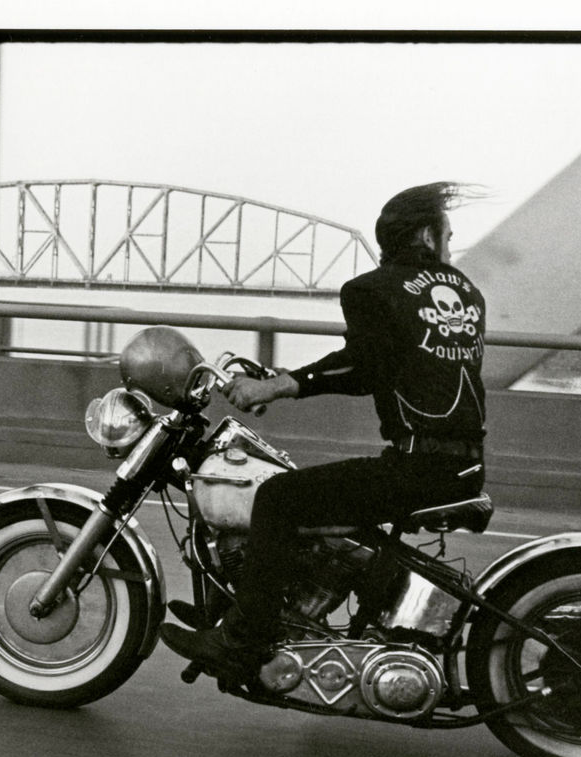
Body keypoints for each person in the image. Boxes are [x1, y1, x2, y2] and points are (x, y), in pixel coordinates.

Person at [161, 181, 489, 680]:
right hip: (462, 462)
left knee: (278, 497)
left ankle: (243, 641)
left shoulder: (375, 290)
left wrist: (276, 387)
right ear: (427, 235)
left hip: (419, 466)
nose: (449, 246)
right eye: (448, 235)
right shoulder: (467, 293)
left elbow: (363, 368)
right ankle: (249, 610)